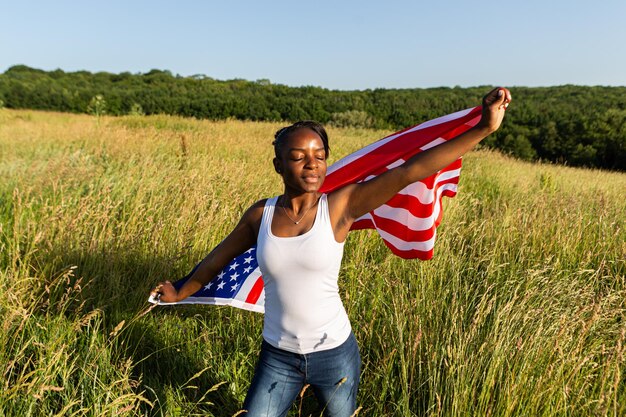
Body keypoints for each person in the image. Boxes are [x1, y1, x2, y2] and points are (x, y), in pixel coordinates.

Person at [151, 87, 512, 416]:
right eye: (298, 157)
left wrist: (484, 128)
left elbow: (409, 172)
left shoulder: (341, 206)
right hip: (277, 356)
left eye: (319, 156)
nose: (311, 164)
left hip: (335, 353)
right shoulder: (259, 215)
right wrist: (180, 291)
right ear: (279, 165)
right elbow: (217, 260)